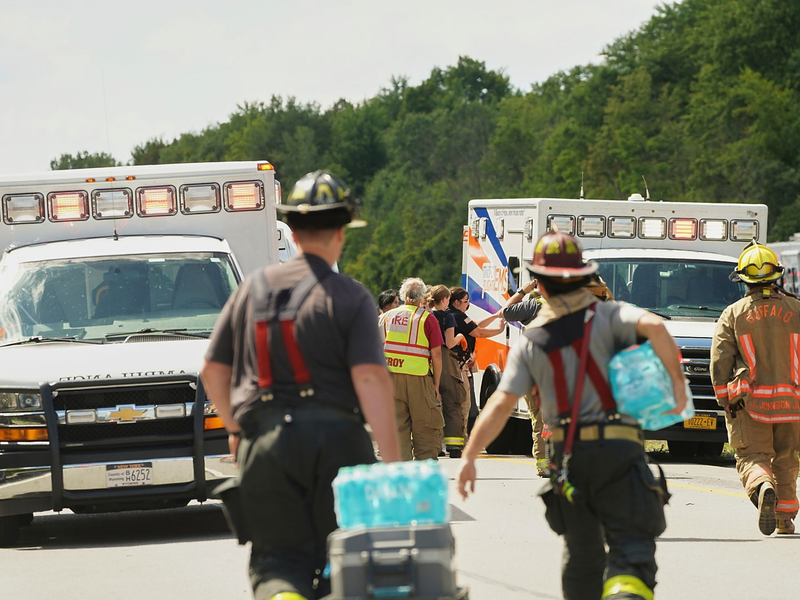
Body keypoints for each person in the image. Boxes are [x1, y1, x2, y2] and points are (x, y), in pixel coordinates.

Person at [200, 170, 401, 600]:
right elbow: (370, 378)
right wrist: (393, 464)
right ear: (342, 232)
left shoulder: (250, 290)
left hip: (266, 444)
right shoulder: (351, 297)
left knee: (278, 563)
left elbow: (212, 371)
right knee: (346, 561)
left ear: (291, 231)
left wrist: (235, 429)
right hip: (340, 444)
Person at [457, 230, 686, 600]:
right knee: (631, 549)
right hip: (621, 451)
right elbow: (657, 327)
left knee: (582, 555)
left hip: (570, 456)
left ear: (540, 285)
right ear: (583, 277)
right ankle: (626, 592)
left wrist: (469, 457)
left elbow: (500, 404)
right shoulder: (612, 314)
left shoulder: (534, 339)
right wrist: (677, 387)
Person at [711, 240, 800, 536]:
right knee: (786, 457)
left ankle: (762, 485)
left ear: (743, 279)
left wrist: (724, 399)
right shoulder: (797, 309)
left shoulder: (733, 313)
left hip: (748, 402)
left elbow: (720, 359)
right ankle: (784, 519)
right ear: (777, 275)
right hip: (792, 402)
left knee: (752, 456)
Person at [380, 277, 446, 460]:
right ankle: (423, 470)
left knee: (397, 429)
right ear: (422, 297)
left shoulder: (384, 318)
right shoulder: (427, 318)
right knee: (425, 429)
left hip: (390, 380)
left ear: (402, 296)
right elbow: (436, 355)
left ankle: (400, 470)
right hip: (419, 379)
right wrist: (436, 385)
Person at [447, 286, 507, 443]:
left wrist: (494, 316)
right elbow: (478, 332)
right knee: (464, 406)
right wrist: (499, 331)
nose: (468, 304)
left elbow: (474, 325)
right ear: (456, 302)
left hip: (452, 365)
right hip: (458, 366)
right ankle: (460, 442)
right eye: (466, 301)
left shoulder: (451, 315)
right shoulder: (457, 316)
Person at [428, 284, 470, 458]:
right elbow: (450, 342)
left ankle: (435, 446)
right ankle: (454, 448)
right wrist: (461, 337)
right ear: (445, 299)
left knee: (433, 405)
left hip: (428, 361)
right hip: (447, 362)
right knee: (453, 404)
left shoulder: (426, 316)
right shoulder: (448, 317)